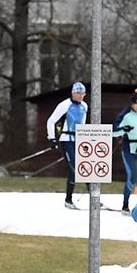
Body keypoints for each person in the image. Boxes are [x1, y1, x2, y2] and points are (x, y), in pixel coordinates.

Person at [45, 81, 88, 209]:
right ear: (73, 93)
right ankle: (68, 200)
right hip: (66, 140)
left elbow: (83, 124)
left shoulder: (84, 106)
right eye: (78, 93)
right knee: (74, 167)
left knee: (85, 167)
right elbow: (51, 121)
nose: (80, 96)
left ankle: (94, 198)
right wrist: (51, 138)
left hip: (79, 140)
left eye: (82, 94)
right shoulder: (64, 105)